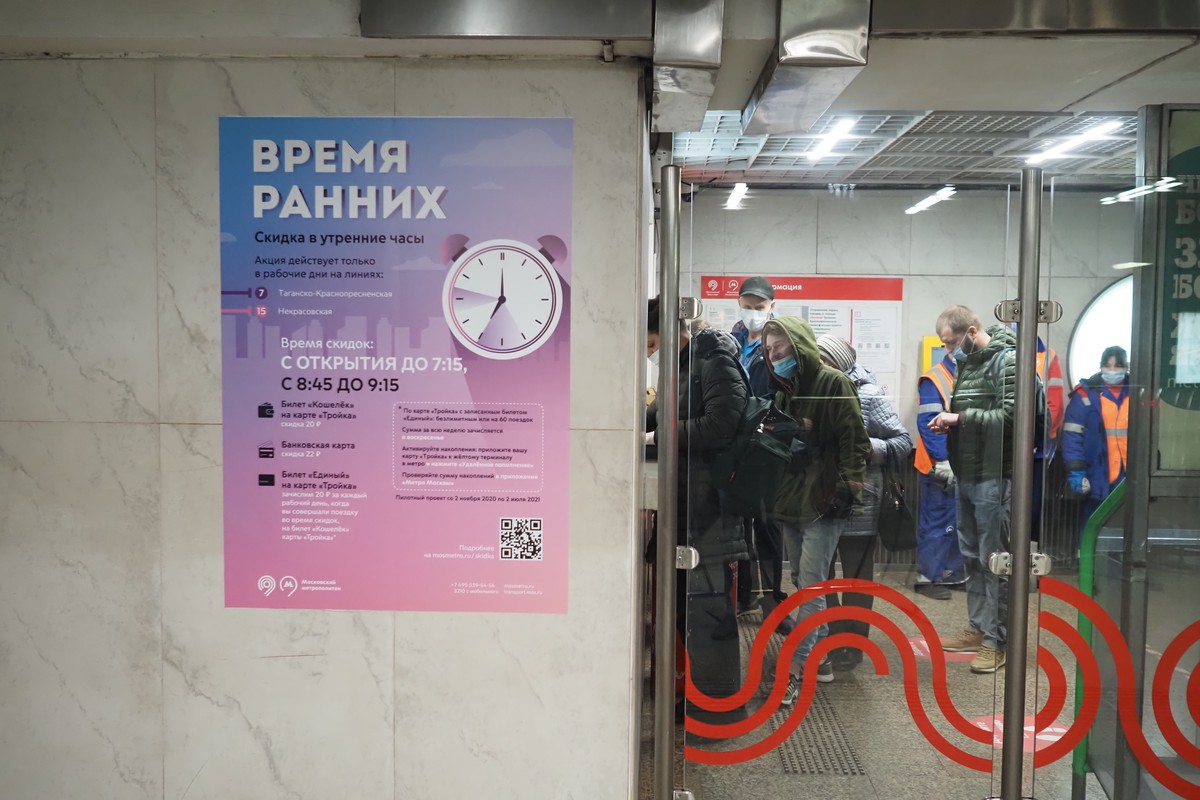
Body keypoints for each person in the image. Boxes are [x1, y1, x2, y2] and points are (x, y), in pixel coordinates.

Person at [645, 297, 750, 716]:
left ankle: (719, 705)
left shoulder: (714, 361)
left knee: (708, 607)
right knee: (685, 607)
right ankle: (696, 696)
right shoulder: (680, 367)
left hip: (710, 507)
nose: (650, 354)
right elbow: (658, 415)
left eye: (652, 344)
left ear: (674, 333)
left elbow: (722, 425)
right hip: (686, 502)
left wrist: (658, 436)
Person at [760, 317, 870, 703]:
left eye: (780, 348)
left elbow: (855, 441)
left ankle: (795, 668)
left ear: (798, 345)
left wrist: (848, 490)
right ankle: (818, 658)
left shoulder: (833, 383)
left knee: (811, 589)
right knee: (804, 584)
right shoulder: (785, 391)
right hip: (792, 501)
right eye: (769, 351)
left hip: (824, 502)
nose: (774, 356)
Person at [816, 335, 913, 671]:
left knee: (857, 577)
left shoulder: (869, 395)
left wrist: (871, 448)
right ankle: (830, 638)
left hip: (861, 500)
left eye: (824, 360)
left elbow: (902, 441)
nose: (819, 366)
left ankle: (854, 645)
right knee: (822, 575)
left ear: (839, 363)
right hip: (821, 497)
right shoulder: (812, 391)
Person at [929, 305, 1016, 675]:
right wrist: (953, 424)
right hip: (968, 473)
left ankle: (997, 642)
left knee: (994, 559)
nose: (949, 350)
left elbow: (1012, 416)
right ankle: (979, 628)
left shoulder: (1007, 361)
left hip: (994, 475)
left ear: (970, 331)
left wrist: (960, 418)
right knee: (971, 556)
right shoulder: (968, 364)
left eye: (951, 342)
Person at [729, 277, 791, 633]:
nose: (752, 312)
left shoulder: (780, 343)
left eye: (759, 306)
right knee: (738, 530)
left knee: (768, 530)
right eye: (747, 306)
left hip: (767, 448)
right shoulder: (733, 339)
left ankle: (774, 603)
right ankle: (743, 598)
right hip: (737, 447)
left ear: (771, 306)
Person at [1061, 346, 1130, 539]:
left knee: (1128, 526)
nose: (1112, 370)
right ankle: (1085, 557)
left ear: (1126, 367)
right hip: (1096, 476)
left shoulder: (1139, 394)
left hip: (1129, 477)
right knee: (1092, 526)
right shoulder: (1085, 395)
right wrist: (1076, 472)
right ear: (1101, 367)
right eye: (1108, 365)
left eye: (1118, 366)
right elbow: (1072, 437)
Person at [913, 348, 964, 600]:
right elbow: (928, 422)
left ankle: (951, 573)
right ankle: (927, 578)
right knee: (936, 521)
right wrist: (943, 459)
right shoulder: (935, 378)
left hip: (959, 464)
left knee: (956, 521)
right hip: (938, 465)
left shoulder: (965, 375)